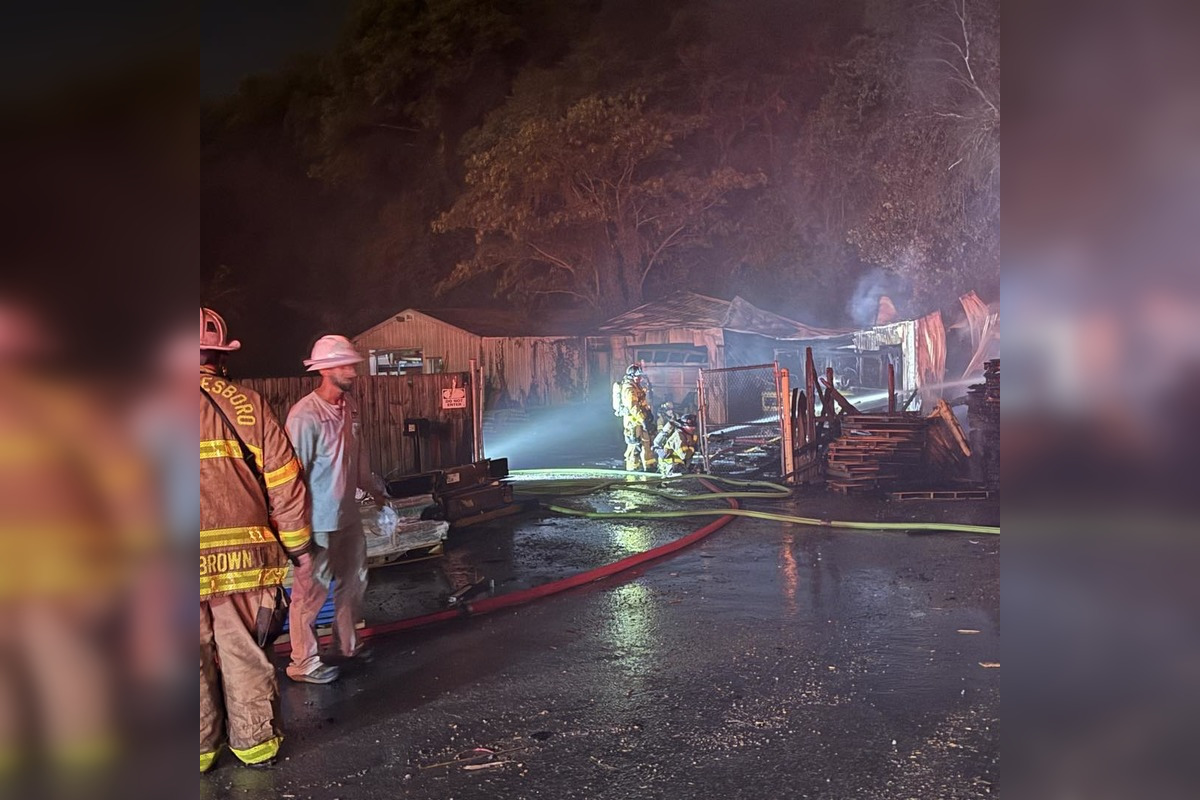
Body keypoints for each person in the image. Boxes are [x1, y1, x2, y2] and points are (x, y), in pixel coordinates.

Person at [200, 308, 313, 772]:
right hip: (244, 564)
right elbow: (285, 483)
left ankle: (199, 750)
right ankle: (255, 747)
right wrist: (300, 549)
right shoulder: (248, 405)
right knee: (245, 654)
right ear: (219, 355)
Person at [285, 335, 374, 684]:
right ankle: (303, 661)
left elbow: (358, 455)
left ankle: (346, 646)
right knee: (311, 592)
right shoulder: (304, 416)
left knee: (354, 581)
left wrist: (374, 488)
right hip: (317, 521)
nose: (352, 371)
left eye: (352, 364)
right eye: (344, 365)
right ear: (323, 370)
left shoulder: (348, 407)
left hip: (347, 517)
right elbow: (291, 476)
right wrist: (294, 527)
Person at [617, 364, 656, 472]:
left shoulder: (636, 386)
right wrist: (642, 419)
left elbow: (642, 402)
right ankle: (632, 467)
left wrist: (648, 413)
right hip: (633, 422)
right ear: (631, 376)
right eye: (637, 376)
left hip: (641, 419)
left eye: (640, 376)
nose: (640, 378)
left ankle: (648, 465)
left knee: (646, 442)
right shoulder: (628, 388)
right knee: (634, 444)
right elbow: (633, 407)